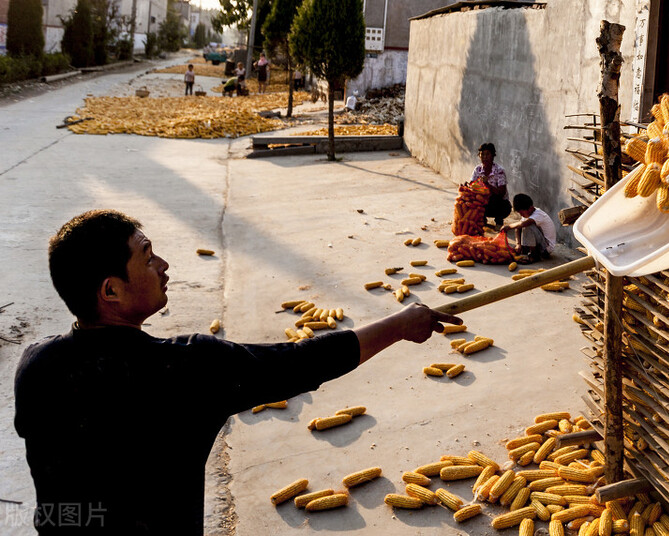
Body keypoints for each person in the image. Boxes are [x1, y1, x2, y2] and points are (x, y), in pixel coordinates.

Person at [14, 210, 460, 535]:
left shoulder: (34, 367)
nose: (164, 266)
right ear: (110, 290)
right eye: (147, 257)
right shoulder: (187, 367)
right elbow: (302, 362)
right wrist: (400, 326)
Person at [501, 193, 556, 263]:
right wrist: (518, 244)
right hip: (537, 243)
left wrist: (508, 227)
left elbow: (524, 224)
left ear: (530, 208)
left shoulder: (539, 215)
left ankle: (534, 255)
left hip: (545, 248)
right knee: (520, 226)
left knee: (527, 226)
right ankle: (526, 250)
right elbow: (518, 228)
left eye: (522, 213)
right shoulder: (527, 215)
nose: (521, 215)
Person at [470, 143, 511, 229]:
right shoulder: (477, 169)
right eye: (482, 154)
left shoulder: (499, 170)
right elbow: (471, 185)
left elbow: (502, 193)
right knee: (470, 199)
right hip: (484, 202)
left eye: (487, 154)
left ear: (493, 156)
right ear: (479, 156)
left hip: (499, 204)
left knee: (496, 199)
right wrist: (466, 186)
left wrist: (487, 184)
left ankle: (499, 221)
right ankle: (482, 220)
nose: (485, 157)